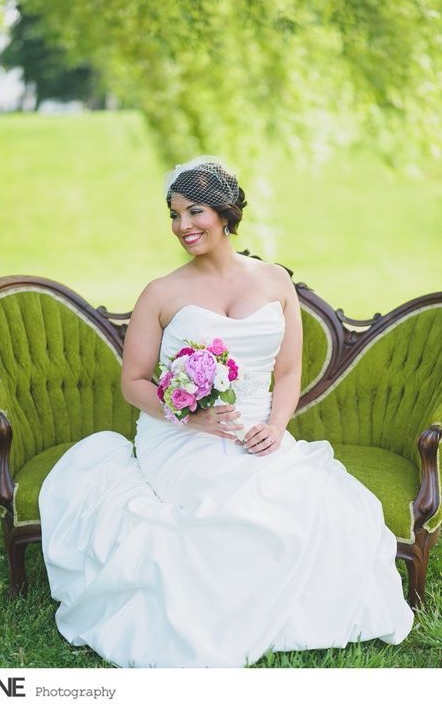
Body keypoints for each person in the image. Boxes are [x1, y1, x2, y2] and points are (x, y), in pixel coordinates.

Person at [38, 156, 413, 667]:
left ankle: (287, 617)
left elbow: (287, 372)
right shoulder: (161, 293)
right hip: (178, 437)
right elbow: (132, 383)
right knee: (218, 505)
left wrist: (277, 427)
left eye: (195, 212)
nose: (183, 226)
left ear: (226, 213)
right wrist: (187, 416)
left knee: (310, 504)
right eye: (174, 215)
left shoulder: (275, 281)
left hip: (258, 429)